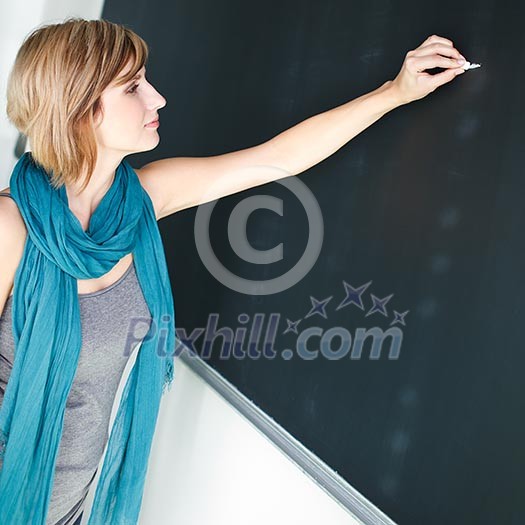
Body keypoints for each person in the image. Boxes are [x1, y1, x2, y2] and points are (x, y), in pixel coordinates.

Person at [0, 16, 467, 525]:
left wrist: (393, 93)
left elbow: (276, 160)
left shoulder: (140, 202)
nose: (157, 99)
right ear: (80, 109)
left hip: (67, 509)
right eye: (133, 87)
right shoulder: (10, 227)